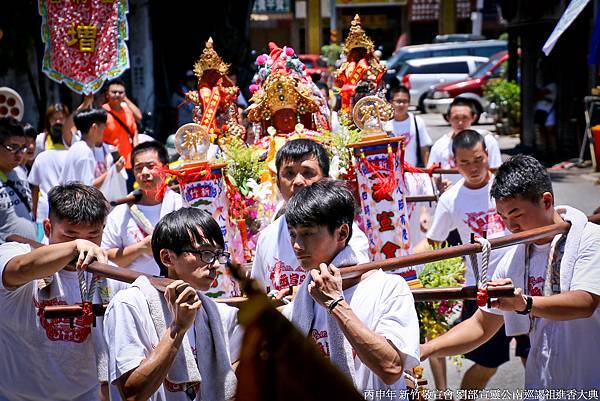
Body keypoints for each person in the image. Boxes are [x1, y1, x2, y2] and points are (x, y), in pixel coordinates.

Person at [421, 155, 600, 391]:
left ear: (546, 201)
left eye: (517, 215)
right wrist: (425, 349)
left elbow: (584, 303)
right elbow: (481, 326)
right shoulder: (516, 256)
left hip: (589, 382)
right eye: (503, 217)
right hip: (543, 385)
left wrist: (523, 303)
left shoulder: (590, 239)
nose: (511, 227)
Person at [282, 179, 420, 395]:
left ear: (342, 233)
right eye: (292, 234)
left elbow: (391, 368)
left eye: (308, 233)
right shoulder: (305, 297)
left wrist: (336, 304)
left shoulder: (388, 288)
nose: (297, 245)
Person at [0, 183, 128, 401]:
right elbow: (20, 269)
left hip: (84, 395)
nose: (84, 246)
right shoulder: (15, 252)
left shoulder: (110, 276)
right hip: (15, 396)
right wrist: (73, 247)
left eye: (93, 235)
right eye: (71, 235)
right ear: (48, 227)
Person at [104, 207, 242, 401]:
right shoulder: (129, 305)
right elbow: (133, 393)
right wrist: (178, 328)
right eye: (205, 253)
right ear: (167, 258)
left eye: (218, 254)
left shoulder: (218, 314)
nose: (216, 264)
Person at [426, 130, 528, 391]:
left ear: (487, 155)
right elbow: (432, 241)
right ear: (454, 162)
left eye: (478, 159)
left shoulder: (508, 188)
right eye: (465, 163)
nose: (473, 168)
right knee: (487, 363)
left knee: (534, 355)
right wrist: (401, 266)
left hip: (526, 282)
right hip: (486, 291)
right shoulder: (451, 199)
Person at [250, 139, 370, 294]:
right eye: (289, 174)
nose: (298, 181)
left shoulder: (344, 233)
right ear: (278, 183)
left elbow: (356, 280)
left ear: (326, 179)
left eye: (308, 173)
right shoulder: (267, 237)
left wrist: (300, 294)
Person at [102, 141, 183, 275]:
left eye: (151, 166)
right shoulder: (120, 214)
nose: (144, 172)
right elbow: (105, 257)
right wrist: (141, 248)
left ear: (166, 168)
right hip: (133, 290)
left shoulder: (181, 205)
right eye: (138, 168)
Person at [427, 98, 502, 188]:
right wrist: (440, 185)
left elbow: (497, 171)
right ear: (448, 118)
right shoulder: (439, 145)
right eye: (456, 118)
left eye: (465, 117)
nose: (460, 122)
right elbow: (432, 175)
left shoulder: (487, 140)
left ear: (473, 117)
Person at [61, 108, 125, 188]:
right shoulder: (85, 152)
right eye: (103, 128)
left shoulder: (75, 147)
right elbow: (88, 188)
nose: (103, 132)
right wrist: (114, 170)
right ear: (94, 127)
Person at [0, 117, 38, 243]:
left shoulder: (21, 172)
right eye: (13, 147)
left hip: (30, 255)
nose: (20, 154)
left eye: (23, 147)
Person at [28, 121, 69, 223]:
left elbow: (34, 188)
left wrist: (33, 212)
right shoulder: (72, 156)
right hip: (67, 209)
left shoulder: (41, 157)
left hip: (43, 210)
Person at [384, 85, 432, 167]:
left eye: (405, 101)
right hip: (394, 172)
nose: (401, 105)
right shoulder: (386, 125)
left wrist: (427, 170)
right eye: (398, 101)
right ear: (391, 102)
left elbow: (424, 148)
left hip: (414, 171)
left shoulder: (417, 121)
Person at [102, 79, 141, 170]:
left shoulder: (127, 110)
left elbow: (135, 130)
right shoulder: (102, 112)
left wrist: (137, 154)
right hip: (110, 163)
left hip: (128, 162)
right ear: (107, 94)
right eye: (114, 92)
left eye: (120, 92)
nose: (117, 95)